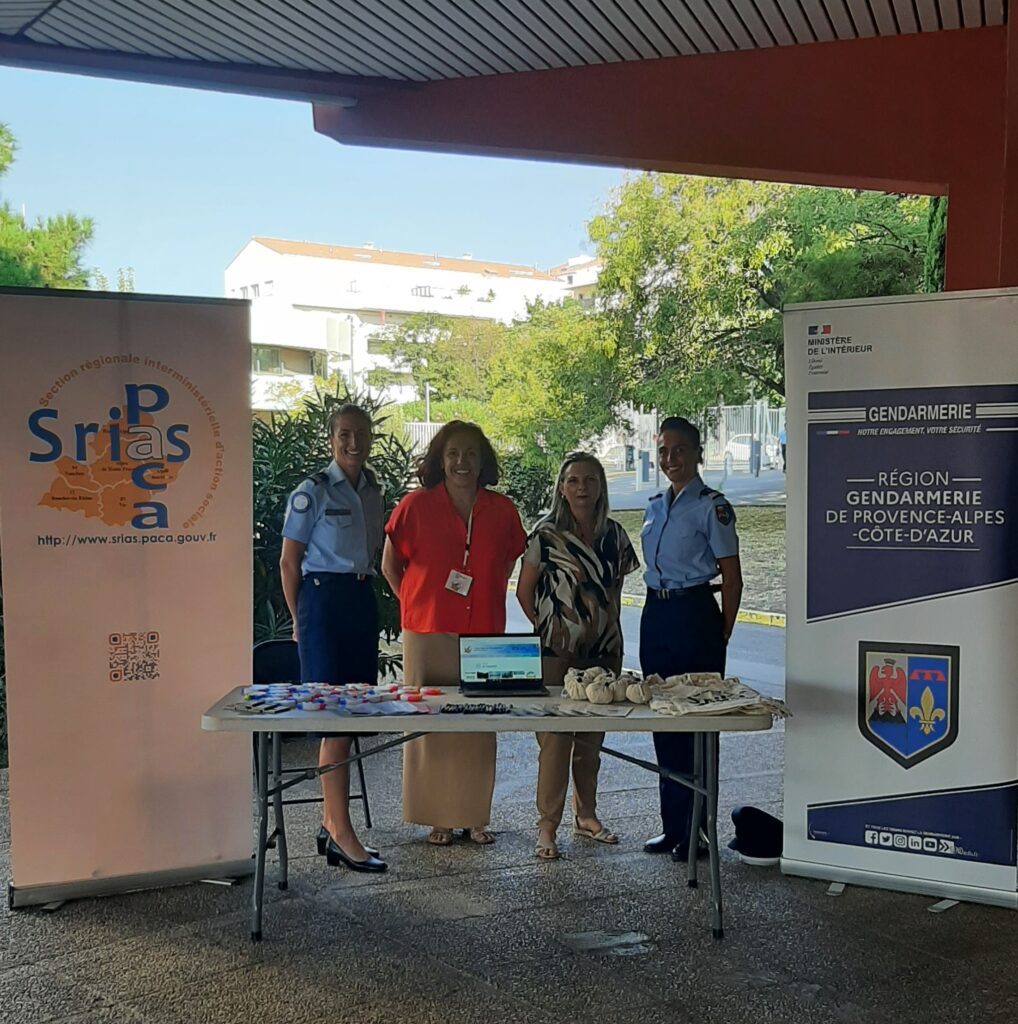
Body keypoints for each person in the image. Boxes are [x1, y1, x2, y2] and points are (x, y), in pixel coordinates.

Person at [382, 420, 526, 846]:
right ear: (439, 460)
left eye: (470, 454)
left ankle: (473, 816)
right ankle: (437, 818)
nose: (461, 462)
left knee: (479, 725)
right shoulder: (414, 506)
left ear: (483, 462)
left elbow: (509, 562)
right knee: (432, 726)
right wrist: (414, 599)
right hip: (426, 630)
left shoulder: (502, 511)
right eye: (453, 454)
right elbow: (391, 566)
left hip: (483, 631)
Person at [279, 403, 386, 873]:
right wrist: (300, 619)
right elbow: (288, 562)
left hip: (360, 602)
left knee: (354, 710)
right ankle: (342, 833)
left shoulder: (373, 491)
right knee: (335, 718)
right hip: (322, 602)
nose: (354, 442)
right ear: (331, 439)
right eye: (345, 434)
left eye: (361, 433)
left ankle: (330, 823)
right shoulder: (312, 492)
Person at [516, 453, 639, 860]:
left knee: (591, 740)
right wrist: (552, 628)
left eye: (589, 479)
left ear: (601, 485)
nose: (581, 487)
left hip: (604, 652)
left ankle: (586, 815)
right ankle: (546, 826)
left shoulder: (616, 535)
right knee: (555, 740)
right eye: (572, 480)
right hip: (556, 653)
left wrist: (604, 629)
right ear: (562, 488)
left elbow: (616, 591)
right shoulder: (545, 534)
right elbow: (523, 591)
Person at [639, 416, 743, 862]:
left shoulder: (712, 506)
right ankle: (673, 826)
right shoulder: (654, 506)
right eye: (663, 451)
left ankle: (699, 832)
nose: (670, 459)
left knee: (698, 725)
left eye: (680, 450)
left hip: (695, 611)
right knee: (664, 720)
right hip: (656, 612)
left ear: (699, 453)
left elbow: (732, 578)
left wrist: (721, 631)